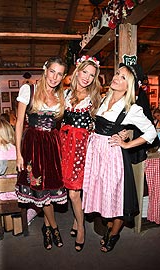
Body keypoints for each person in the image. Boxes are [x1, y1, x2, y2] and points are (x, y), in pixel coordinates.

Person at [82, 63, 157, 253]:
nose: (116, 78)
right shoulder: (103, 99)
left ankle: (114, 234)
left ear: (129, 85)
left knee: (117, 199)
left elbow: (150, 133)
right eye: (117, 74)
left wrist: (127, 144)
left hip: (113, 157)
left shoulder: (131, 108)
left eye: (123, 77)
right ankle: (109, 229)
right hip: (97, 155)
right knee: (103, 195)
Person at [60, 55, 128, 252]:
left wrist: (121, 131)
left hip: (85, 147)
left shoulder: (96, 98)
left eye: (92, 74)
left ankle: (81, 227)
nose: (87, 77)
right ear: (78, 71)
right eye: (85, 72)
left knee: (75, 192)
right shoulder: (64, 95)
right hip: (65, 145)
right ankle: (76, 219)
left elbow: (110, 117)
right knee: (73, 190)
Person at [15, 56, 67, 250]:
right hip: (33, 146)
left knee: (49, 190)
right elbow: (19, 123)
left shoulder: (62, 96)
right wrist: (18, 154)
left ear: (63, 77)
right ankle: (54, 228)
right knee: (40, 188)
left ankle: (47, 229)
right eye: (52, 71)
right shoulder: (29, 90)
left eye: (59, 74)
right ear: (45, 70)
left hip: (53, 146)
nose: (55, 77)